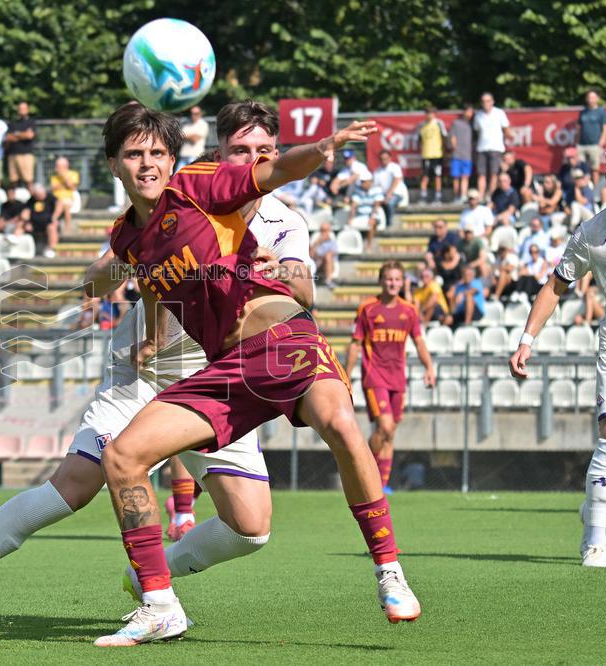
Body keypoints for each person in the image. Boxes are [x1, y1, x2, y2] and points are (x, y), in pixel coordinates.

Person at [0, 100, 325, 639]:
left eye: (263, 151)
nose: (250, 160)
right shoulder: (162, 211)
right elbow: (123, 274)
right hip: (144, 377)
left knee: (251, 529)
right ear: (218, 153)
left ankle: (149, 575)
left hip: (218, 380)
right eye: (239, 150)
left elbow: (303, 291)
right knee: (71, 487)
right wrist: (130, 302)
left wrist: (281, 273)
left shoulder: (281, 220)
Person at [94, 103, 416, 644]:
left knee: (340, 424)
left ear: (173, 160)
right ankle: (159, 605)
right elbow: (150, 282)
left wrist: (321, 150)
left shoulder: (198, 185)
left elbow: (278, 173)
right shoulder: (127, 237)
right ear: (114, 164)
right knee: (122, 457)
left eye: (157, 153)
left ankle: (388, 569)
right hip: (225, 370)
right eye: (134, 154)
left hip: (282, 339)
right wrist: (149, 335)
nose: (147, 163)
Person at [510, 137, 606, 568]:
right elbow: (555, 286)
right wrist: (526, 340)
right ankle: (594, 541)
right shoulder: (591, 233)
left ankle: (597, 505)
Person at [346, 262, 436, 492]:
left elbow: (419, 342)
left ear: (403, 282)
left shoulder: (409, 311)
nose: (393, 283)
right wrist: (346, 375)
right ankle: (363, 468)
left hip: (398, 379)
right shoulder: (368, 308)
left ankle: (380, 487)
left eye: (397, 279)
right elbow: (355, 344)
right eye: (388, 279)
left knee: (390, 433)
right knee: (384, 427)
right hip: (374, 376)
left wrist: (429, 367)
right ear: (381, 281)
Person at [473, 93, 512, 202]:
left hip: (496, 148)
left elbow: (506, 130)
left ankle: (490, 196)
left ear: (492, 102)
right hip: (482, 148)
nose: (485, 103)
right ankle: (480, 196)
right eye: (483, 101)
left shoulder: (499, 113)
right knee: (481, 174)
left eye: (488, 100)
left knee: (494, 174)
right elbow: (477, 130)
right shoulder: (478, 115)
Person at [577, 90, 606, 186]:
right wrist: (577, 142)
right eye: (589, 97)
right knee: (580, 170)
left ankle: (595, 191)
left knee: (595, 169)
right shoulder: (583, 112)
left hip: (594, 145)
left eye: (592, 97)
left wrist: (600, 143)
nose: (590, 100)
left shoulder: (601, 112)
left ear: (597, 99)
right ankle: (583, 190)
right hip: (582, 145)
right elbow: (579, 128)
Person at [416, 107, 447, 204]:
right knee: (425, 176)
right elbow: (419, 140)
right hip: (426, 155)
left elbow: (444, 137)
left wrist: (444, 152)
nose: (429, 115)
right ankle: (423, 196)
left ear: (435, 114)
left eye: (431, 113)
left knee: (437, 175)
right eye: (427, 113)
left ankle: (438, 196)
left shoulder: (439, 123)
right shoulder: (422, 125)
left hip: (437, 154)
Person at [4, 101, 36, 189]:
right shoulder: (13, 123)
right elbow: (8, 137)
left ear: (27, 110)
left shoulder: (31, 122)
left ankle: (31, 196)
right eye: (20, 109)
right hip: (13, 154)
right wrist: (23, 135)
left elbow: (29, 135)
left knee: (28, 180)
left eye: (24, 108)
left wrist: (16, 134)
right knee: (13, 180)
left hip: (26, 154)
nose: (22, 110)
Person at [449, 105, 475, 203]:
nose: (470, 114)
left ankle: (463, 195)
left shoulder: (473, 125)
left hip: (467, 156)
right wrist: (454, 148)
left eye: (471, 112)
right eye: (468, 111)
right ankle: (456, 196)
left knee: (465, 176)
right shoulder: (456, 123)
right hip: (457, 155)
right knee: (456, 177)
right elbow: (452, 137)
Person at [372, 150, 403, 228]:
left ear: (390, 158)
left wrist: (389, 194)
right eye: (382, 159)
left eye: (386, 158)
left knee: (389, 203)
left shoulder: (395, 167)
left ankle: (389, 225)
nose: (384, 161)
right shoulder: (377, 171)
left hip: (396, 194)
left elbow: (396, 180)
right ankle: (375, 224)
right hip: (382, 194)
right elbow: (375, 186)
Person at [49, 157, 81, 234]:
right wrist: (63, 184)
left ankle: (53, 219)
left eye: (58, 166)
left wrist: (63, 177)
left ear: (65, 166)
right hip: (56, 199)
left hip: (69, 199)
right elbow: (53, 188)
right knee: (63, 203)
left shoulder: (73, 174)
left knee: (64, 203)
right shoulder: (54, 177)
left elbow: (72, 187)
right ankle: (67, 228)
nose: (56, 168)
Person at [177, 105, 209, 170]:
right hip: (184, 155)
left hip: (196, 155)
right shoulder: (187, 123)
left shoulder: (203, 124)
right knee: (177, 174)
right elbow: (179, 136)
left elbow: (195, 139)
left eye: (196, 113)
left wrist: (185, 136)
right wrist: (190, 136)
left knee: (193, 175)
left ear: (200, 114)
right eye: (192, 113)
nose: (193, 115)